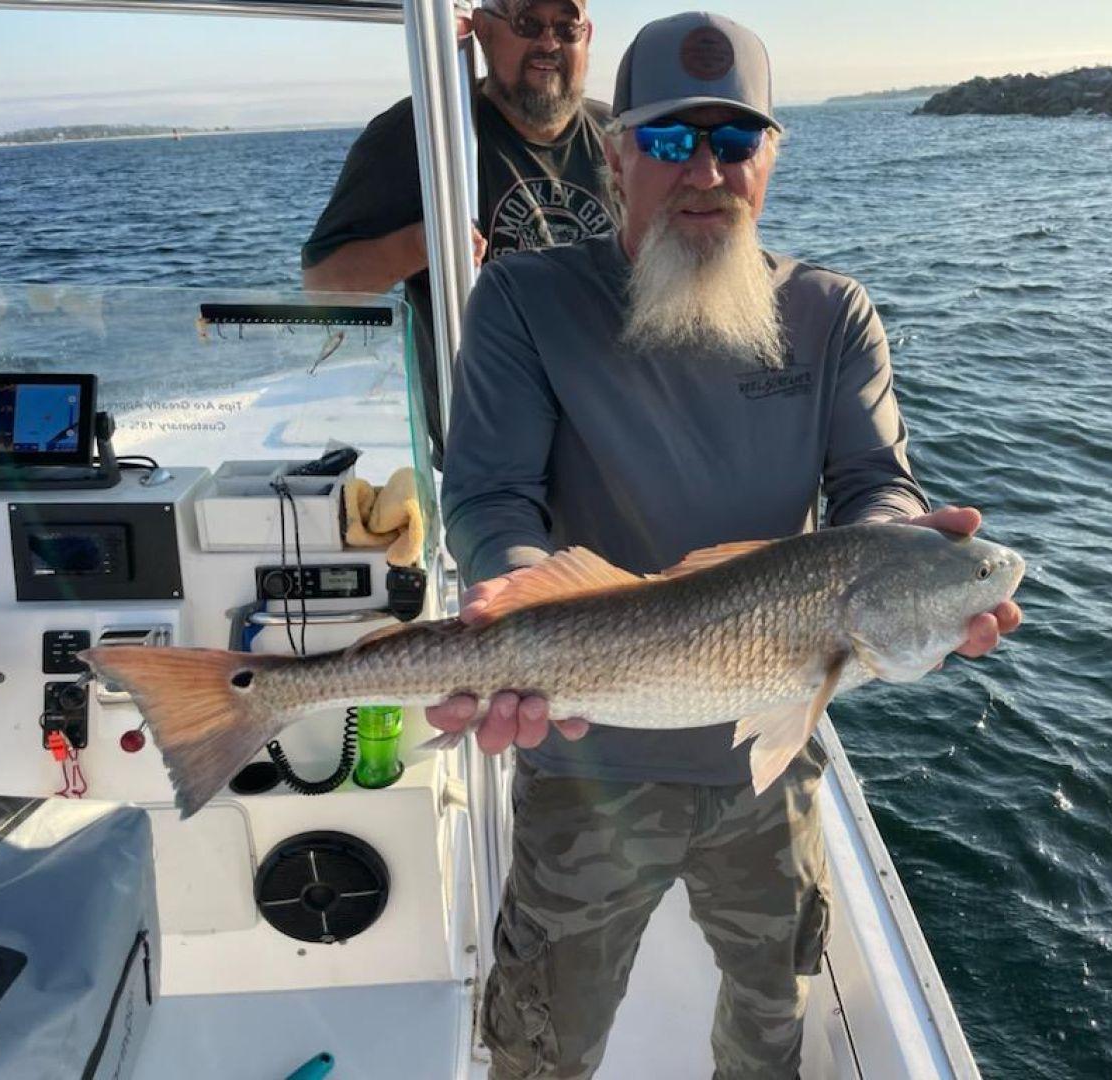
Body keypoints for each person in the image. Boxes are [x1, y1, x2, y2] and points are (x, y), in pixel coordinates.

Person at [429, 12, 1023, 1078]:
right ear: (616, 153)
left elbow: (876, 489)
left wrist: (893, 557)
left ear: (771, 157)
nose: (703, 171)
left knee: (774, 1018)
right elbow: (488, 494)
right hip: (585, 752)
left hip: (771, 755)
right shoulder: (524, 301)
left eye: (734, 142)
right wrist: (515, 597)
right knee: (543, 1041)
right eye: (666, 141)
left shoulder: (832, 314)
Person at [301, 0, 617, 458]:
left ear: (588, 37)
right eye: (528, 22)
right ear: (483, 30)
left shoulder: (623, 140)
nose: (548, 42)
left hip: (610, 451)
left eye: (567, 27)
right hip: (491, 460)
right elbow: (323, 286)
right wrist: (426, 243)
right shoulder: (419, 133)